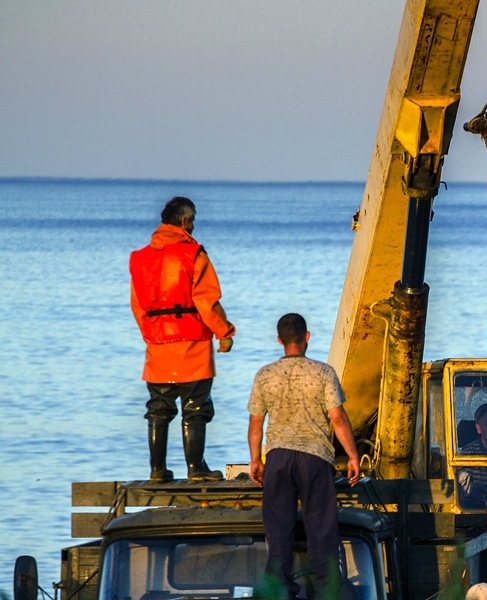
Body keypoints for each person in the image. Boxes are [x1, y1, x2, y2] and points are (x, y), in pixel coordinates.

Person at [247, 313, 361, 600]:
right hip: (315, 458)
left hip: (278, 457)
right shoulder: (323, 373)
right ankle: (326, 591)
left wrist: (256, 461)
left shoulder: (265, 375)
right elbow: (337, 419)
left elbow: (256, 424)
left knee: (278, 530)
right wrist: (352, 456)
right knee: (322, 530)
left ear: (279, 340)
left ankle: (280, 591)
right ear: (306, 337)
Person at [130, 196, 235, 483]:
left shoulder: (139, 259)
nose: (194, 225)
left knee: (158, 409)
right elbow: (206, 300)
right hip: (192, 343)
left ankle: (157, 470)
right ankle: (196, 468)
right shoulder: (193, 254)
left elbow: (138, 306)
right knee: (196, 408)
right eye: (193, 220)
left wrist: (151, 334)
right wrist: (224, 333)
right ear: (185, 222)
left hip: (158, 344)